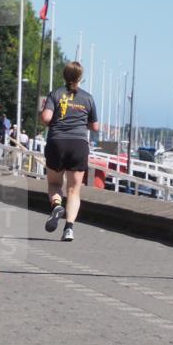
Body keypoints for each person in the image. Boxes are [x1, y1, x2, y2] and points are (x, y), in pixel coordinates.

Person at [40, 61, 99, 242]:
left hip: (57, 142)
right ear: (80, 77)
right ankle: (69, 229)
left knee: (54, 184)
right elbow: (95, 127)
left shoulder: (55, 94)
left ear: (64, 76)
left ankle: (57, 205)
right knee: (74, 190)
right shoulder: (88, 98)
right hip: (78, 144)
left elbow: (46, 118)